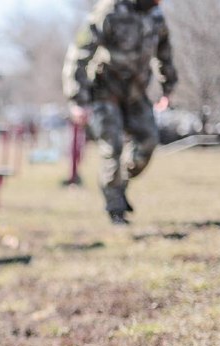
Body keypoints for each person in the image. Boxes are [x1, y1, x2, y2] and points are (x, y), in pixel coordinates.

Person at [63, 0, 177, 225]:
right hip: (106, 91)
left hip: (136, 93)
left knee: (148, 140)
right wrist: (78, 99)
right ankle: (115, 209)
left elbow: (164, 52)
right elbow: (80, 51)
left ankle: (118, 183)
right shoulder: (110, 9)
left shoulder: (155, 16)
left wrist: (168, 88)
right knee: (112, 146)